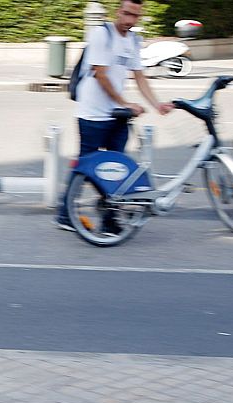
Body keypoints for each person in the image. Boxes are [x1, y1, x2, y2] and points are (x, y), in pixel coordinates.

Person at [54, 0, 173, 233]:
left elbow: (139, 76)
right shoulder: (102, 34)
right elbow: (101, 75)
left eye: (135, 16)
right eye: (126, 14)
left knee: (116, 167)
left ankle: (109, 220)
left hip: (117, 115)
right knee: (86, 165)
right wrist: (125, 103)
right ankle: (65, 215)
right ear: (118, 11)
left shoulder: (134, 40)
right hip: (92, 114)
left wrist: (157, 104)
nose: (129, 20)